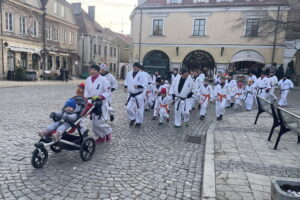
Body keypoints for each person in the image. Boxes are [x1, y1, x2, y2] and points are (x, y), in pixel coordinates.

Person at [84, 64, 112, 143]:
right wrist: (85, 99)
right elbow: (86, 91)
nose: (92, 72)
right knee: (93, 124)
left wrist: (101, 96)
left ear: (98, 71)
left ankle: (108, 131)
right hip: (92, 103)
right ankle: (101, 136)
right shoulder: (88, 79)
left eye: (94, 70)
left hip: (101, 103)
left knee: (99, 122)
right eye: (91, 70)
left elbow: (107, 91)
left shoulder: (103, 79)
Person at [124, 62, 148, 127]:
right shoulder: (129, 73)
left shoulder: (143, 74)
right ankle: (133, 118)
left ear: (139, 68)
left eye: (136, 67)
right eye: (134, 66)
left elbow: (145, 84)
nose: (135, 68)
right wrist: (125, 87)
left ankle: (138, 121)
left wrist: (138, 86)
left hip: (139, 94)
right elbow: (126, 81)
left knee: (139, 109)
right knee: (128, 108)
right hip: (131, 94)